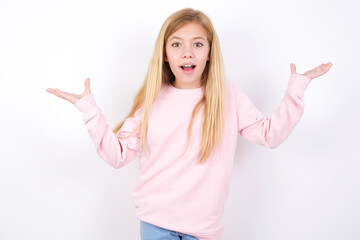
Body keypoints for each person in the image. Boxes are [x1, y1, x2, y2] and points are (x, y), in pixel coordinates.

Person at [46, 8, 332, 240]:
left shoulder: (226, 95)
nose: (187, 53)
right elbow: (117, 155)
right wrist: (89, 109)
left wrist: (296, 89)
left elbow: (270, 135)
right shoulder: (153, 99)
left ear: (209, 53)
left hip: (204, 229)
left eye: (197, 44)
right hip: (156, 224)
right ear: (165, 54)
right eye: (176, 44)